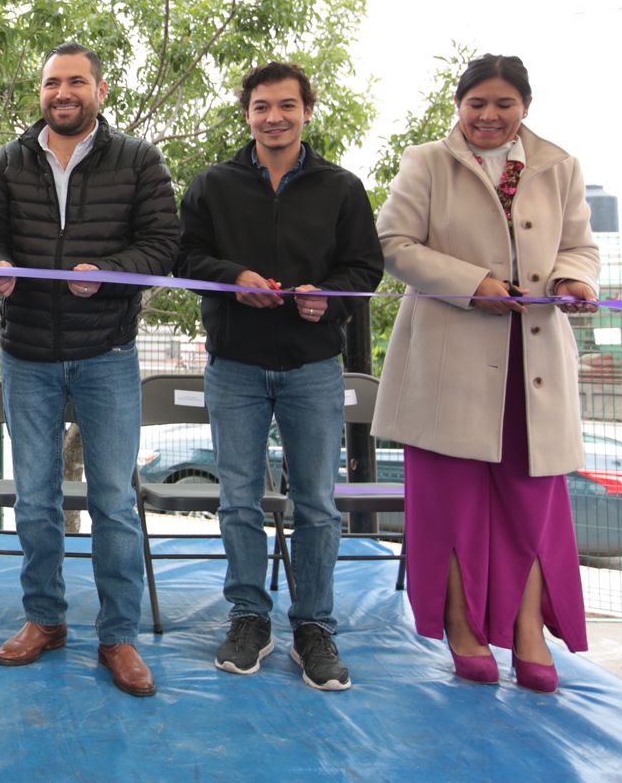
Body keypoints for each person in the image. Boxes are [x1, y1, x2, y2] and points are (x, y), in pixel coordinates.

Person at [374, 54, 599, 693]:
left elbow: (579, 246)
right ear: (459, 105)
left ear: (525, 106)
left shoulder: (560, 166)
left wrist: (574, 280)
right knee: (451, 503)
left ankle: (529, 630)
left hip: (534, 365)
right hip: (447, 362)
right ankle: (462, 625)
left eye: (504, 103)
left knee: (533, 505)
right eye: (477, 103)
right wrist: (472, 284)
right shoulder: (426, 162)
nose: (490, 116)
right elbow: (393, 244)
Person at [0, 42, 180, 699]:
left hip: (107, 353)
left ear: (101, 90)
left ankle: (118, 635)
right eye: (51, 83)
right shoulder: (7, 162)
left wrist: (111, 273)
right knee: (35, 500)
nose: (62, 93)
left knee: (114, 501)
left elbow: (163, 245)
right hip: (27, 354)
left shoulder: (139, 159)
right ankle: (45, 620)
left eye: (75, 82)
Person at [176, 61, 382, 692]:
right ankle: (248, 617)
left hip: (313, 368)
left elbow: (365, 268)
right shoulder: (213, 185)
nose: (274, 117)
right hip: (234, 367)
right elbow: (184, 257)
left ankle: (314, 627)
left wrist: (331, 299)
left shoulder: (342, 188)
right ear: (247, 114)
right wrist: (232, 277)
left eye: (287, 105)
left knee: (316, 504)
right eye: (262, 106)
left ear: (306, 112)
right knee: (238, 500)